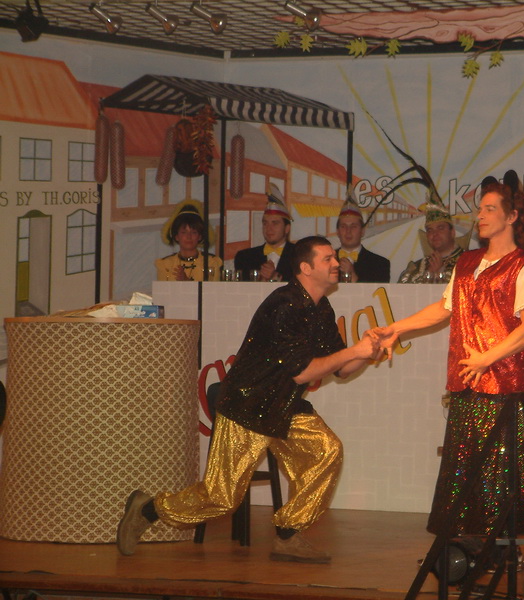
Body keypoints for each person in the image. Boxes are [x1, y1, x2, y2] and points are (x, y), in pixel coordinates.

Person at [117, 236, 381, 563]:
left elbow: (339, 368)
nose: (336, 263)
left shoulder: (321, 308)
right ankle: (148, 509)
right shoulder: (284, 305)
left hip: (283, 405)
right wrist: (355, 351)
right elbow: (303, 373)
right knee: (221, 497)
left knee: (326, 451)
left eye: (334, 258)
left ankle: (288, 535)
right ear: (306, 267)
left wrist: (368, 352)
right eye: (327, 259)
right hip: (248, 404)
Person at [376, 181, 524, 538]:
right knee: (463, 475)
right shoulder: (467, 263)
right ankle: (461, 550)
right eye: (479, 209)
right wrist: (396, 328)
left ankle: (498, 551)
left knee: (497, 477)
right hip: (466, 384)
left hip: (502, 390)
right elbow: (443, 309)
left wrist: (487, 358)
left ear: (511, 217)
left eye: (489, 209)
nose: (480, 215)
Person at [234, 184, 296, 282]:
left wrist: (275, 277)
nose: (269, 228)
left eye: (275, 223)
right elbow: (241, 289)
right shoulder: (245, 257)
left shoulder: (299, 256)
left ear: (287, 228)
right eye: (265, 223)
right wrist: (261, 279)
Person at [155, 200, 222, 281]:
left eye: (194, 232)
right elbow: (162, 289)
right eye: (184, 232)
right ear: (176, 236)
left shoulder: (211, 262)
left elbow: (213, 289)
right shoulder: (165, 264)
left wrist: (186, 280)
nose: (189, 237)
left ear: (200, 236)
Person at [397, 203, 464, 283]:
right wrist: (428, 275)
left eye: (440, 228)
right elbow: (401, 289)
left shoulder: (468, 262)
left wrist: (442, 273)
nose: (434, 234)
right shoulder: (416, 268)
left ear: (452, 232)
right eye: (430, 230)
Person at [335, 198, 391, 283]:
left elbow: (377, 291)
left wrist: (352, 275)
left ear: (362, 231)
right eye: (343, 226)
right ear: (337, 232)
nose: (348, 231)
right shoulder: (325, 262)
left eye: (353, 227)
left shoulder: (380, 264)